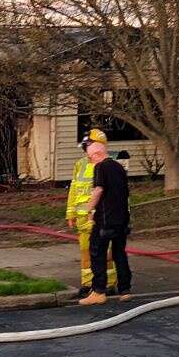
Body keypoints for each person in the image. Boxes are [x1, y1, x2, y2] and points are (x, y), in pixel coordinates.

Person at [77, 134, 132, 306]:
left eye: (90, 156)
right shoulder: (119, 167)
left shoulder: (100, 167)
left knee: (97, 253)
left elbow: (99, 190)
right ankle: (125, 289)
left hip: (105, 220)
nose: (89, 159)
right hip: (122, 219)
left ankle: (98, 291)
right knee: (119, 253)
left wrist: (89, 209)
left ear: (96, 154)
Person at [66, 128, 118, 300]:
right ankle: (88, 284)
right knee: (86, 252)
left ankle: (109, 284)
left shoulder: (108, 165)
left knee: (106, 252)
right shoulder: (80, 164)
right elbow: (74, 189)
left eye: (89, 145)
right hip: (83, 218)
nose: (86, 150)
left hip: (101, 217)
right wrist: (70, 213)